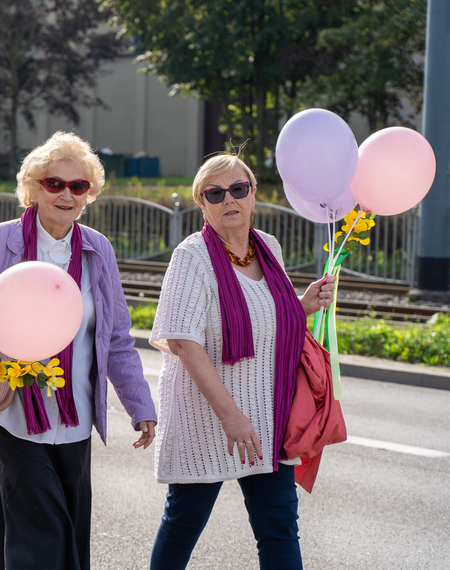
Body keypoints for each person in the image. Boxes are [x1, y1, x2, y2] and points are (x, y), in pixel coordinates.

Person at [0, 131, 157, 570]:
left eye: (79, 186)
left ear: (88, 194)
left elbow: (116, 338)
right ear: (33, 188)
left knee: (60, 532)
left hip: (73, 419)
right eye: (55, 183)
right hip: (12, 412)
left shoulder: (98, 252)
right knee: (44, 534)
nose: (67, 194)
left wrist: (140, 405)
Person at [147, 152, 336, 569]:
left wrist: (301, 305)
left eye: (238, 189)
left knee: (279, 531)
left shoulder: (268, 247)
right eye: (215, 193)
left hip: (268, 419)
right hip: (206, 419)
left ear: (253, 195)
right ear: (202, 204)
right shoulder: (191, 257)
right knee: (183, 526)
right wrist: (231, 416)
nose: (228, 199)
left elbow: (265, 318)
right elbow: (183, 342)